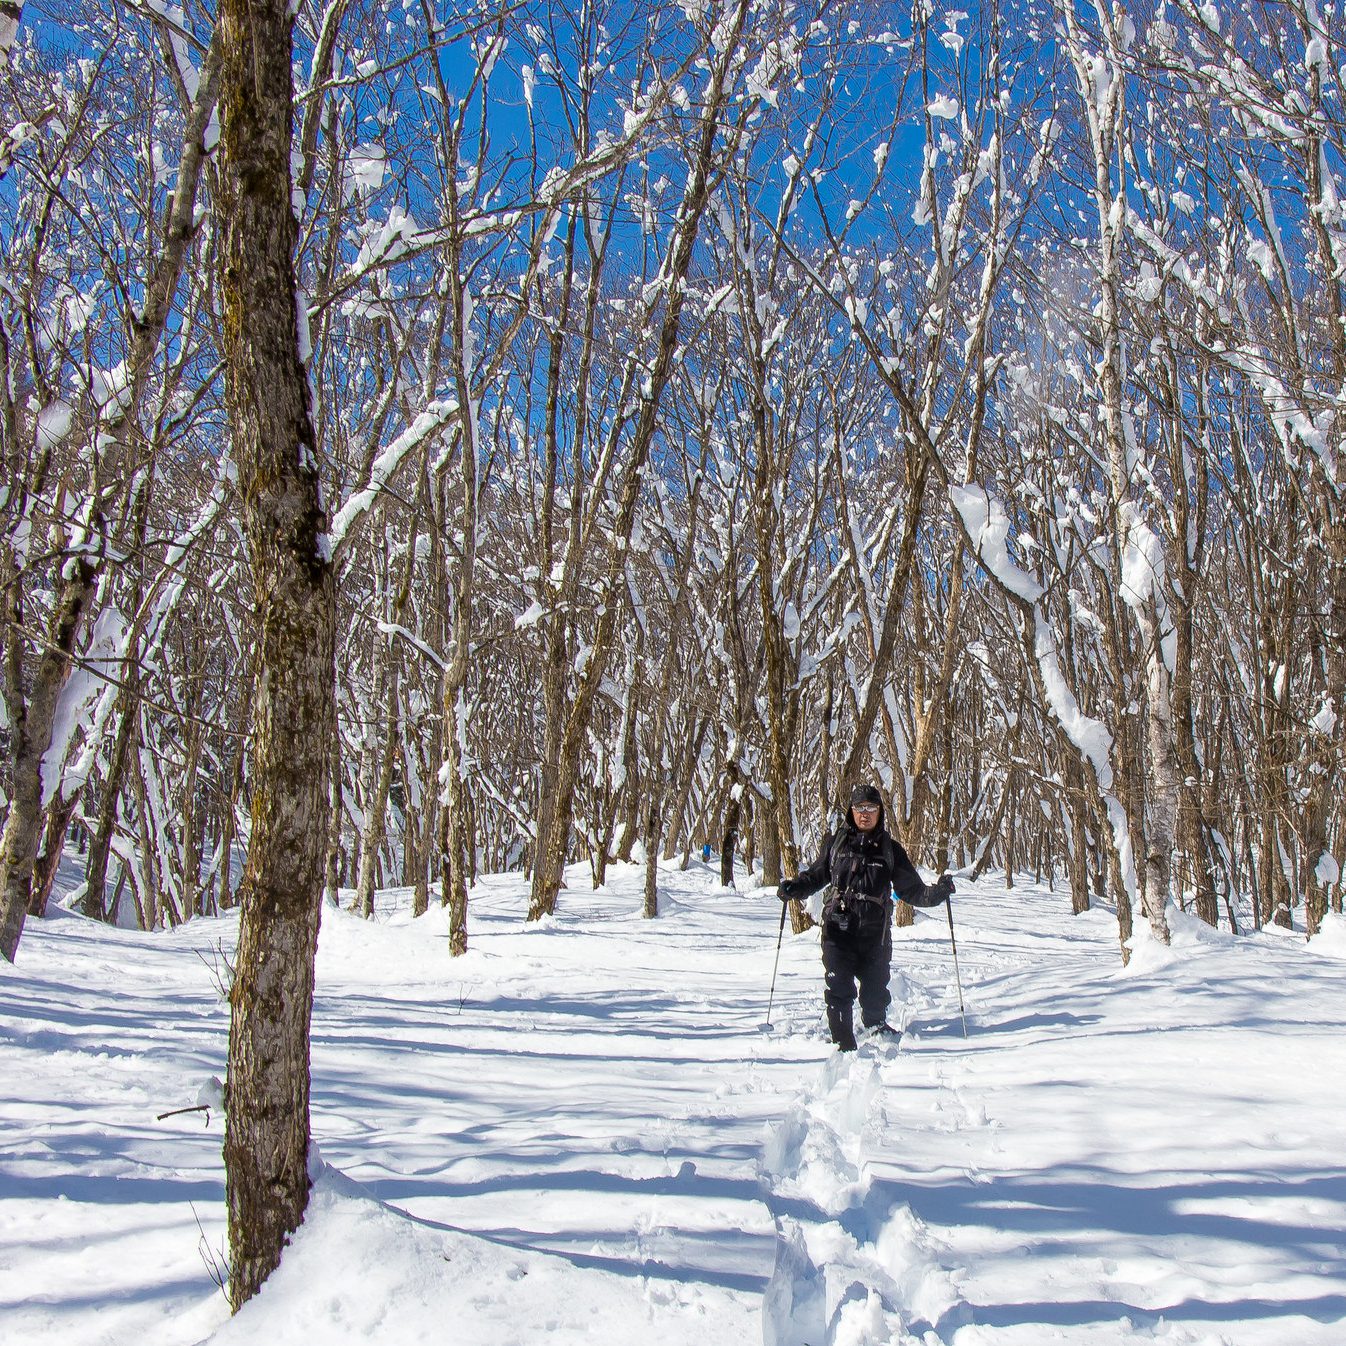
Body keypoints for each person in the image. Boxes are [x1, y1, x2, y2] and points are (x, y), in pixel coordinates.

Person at [778, 782, 955, 1051]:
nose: (865, 813)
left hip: (875, 934)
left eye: (871, 808)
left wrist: (937, 893)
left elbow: (912, 890)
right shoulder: (836, 844)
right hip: (838, 931)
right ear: (851, 811)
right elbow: (816, 875)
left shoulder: (890, 850)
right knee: (838, 986)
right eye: (860, 807)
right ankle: (842, 1042)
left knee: (875, 989)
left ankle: (876, 1030)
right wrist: (795, 888)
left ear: (879, 812)